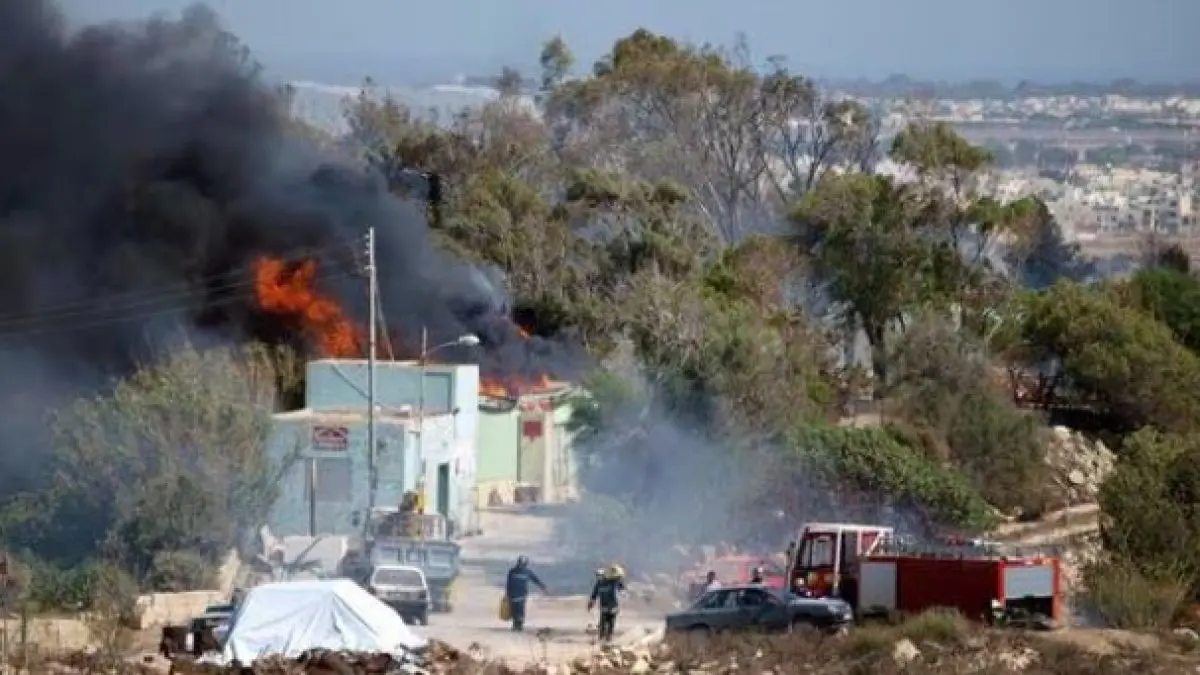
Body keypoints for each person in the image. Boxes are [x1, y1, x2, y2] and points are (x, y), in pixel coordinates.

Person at [504, 555, 547, 632]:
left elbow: (535, 580)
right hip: (515, 595)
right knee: (516, 611)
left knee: (518, 611)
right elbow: (508, 583)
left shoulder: (519, 572)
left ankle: (518, 626)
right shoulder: (514, 572)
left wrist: (543, 586)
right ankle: (517, 626)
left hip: (519, 595)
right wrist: (507, 594)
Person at [588, 564, 626, 642]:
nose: (598, 577)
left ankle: (608, 639)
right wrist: (590, 604)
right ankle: (602, 639)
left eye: (600, 575)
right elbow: (594, 595)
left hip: (614, 606)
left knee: (610, 623)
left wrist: (622, 590)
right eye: (597, 575)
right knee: (603, 623)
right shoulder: (598, 584)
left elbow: (622, 588)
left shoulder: (614, 581)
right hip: (604, 606)